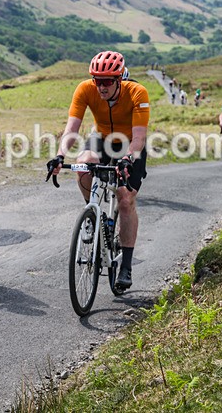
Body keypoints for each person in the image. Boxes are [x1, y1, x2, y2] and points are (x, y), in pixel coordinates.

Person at [47, 51, 150, 293]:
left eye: (106, 81)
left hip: (129, 146)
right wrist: (60, 155)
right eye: (97, 80)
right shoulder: (85, 89)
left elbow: (139, 138)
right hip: (101, 139)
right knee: (83, 164)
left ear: (119, 80)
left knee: (125, 199)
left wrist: (127, 159)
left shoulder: (137, 92)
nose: (100, 86)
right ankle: (91, 214)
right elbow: (72, 129)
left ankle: (125, 265)